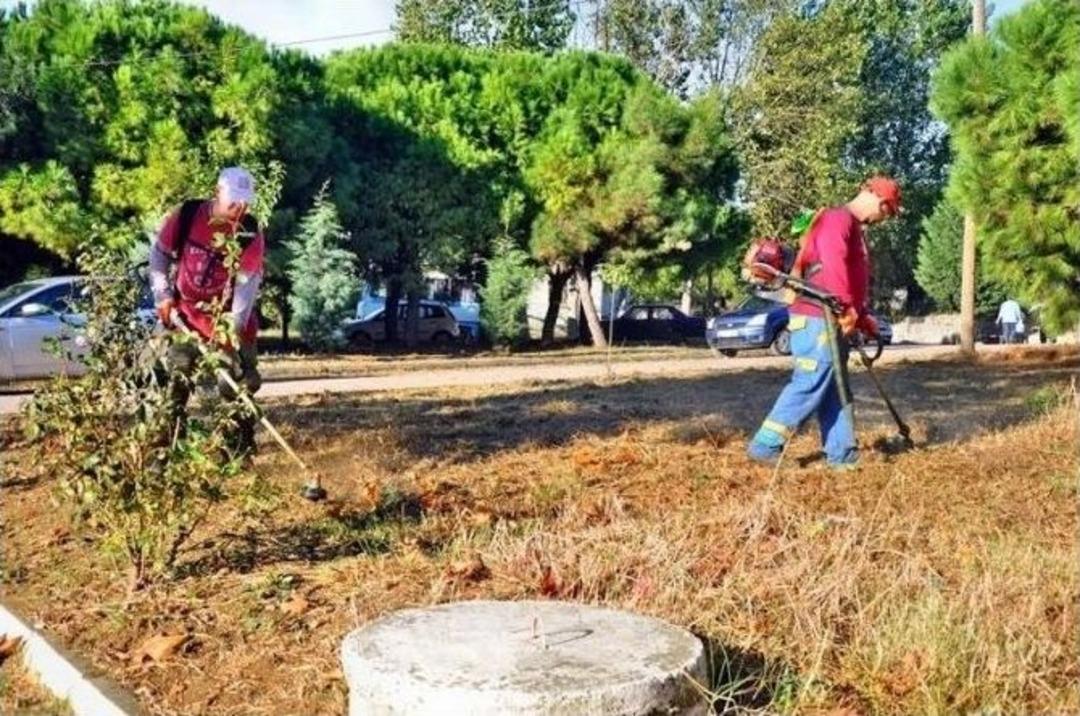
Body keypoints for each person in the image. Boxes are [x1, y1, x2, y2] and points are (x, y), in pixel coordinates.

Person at [747, 176, 902, 469]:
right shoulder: (837, 219)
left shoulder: (853, 228)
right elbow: (831, 265)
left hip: (832, 317)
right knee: (810, 381)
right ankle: (765, 445)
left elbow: (850, 278)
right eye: (888, 211)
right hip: (817, 317)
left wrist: (862, 316)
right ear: (879, 200)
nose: (884, 218)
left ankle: (842, 455)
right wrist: (847, 309)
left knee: (836, 388)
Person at [149, 167, 265, 454]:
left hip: (228, 321)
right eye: (234, 201)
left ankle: (237, 454)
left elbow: (246, 286)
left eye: (245, 202)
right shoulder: (188, 215)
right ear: (217, 193)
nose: (241, 208)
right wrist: (162, 294)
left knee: (238, 387)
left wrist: (231, 330)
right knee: (173, 383)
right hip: (184, 317)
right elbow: (159, 253)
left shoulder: (249, 231)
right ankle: (166, 452)